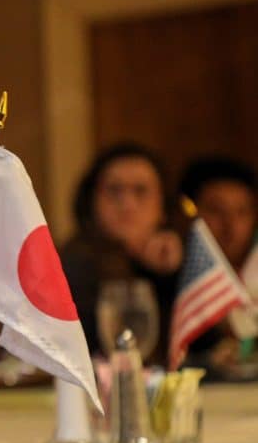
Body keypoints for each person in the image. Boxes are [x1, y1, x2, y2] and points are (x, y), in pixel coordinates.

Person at [60, 143, 183, 364]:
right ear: (91, 202)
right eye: (114, 191)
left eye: (141, 191)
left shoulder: (180, 258)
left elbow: (206, 351)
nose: (127, 204)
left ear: (163, 205)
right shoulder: (70, 263)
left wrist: (169, 275)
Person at [177, 156, 258, 376]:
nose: (230, 224)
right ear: (191, 214)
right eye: (216, 210)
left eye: (242, 212)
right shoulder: (175, 277)